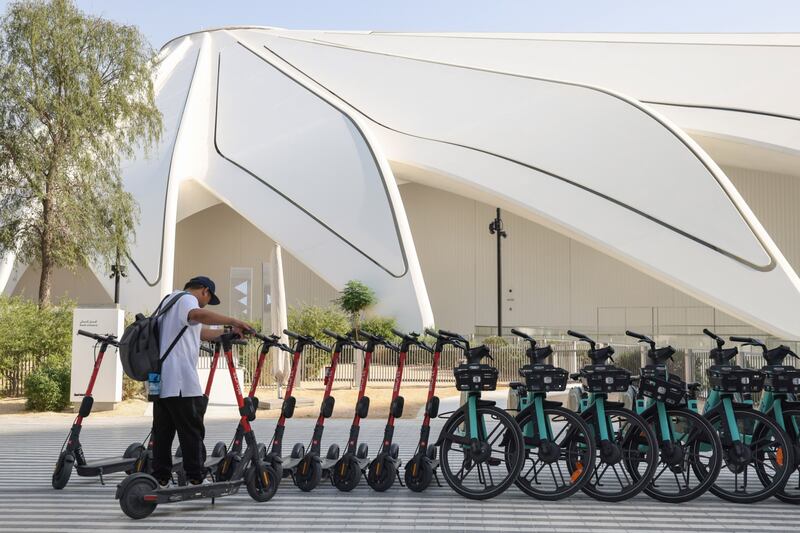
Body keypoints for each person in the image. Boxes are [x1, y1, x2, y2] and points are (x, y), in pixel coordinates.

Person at [151, 275, 254, 486]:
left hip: (162, 379)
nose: (206, 303)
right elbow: (199, 315)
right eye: (208, 299)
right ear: (204, 291)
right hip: (181, 381)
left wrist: (228, 334)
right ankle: (196, 478)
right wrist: (233, 320)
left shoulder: (168, 301)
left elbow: (201, 333)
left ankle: (160, 478)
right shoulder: (188, 300)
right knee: (192, 430)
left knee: (163, 432)